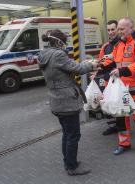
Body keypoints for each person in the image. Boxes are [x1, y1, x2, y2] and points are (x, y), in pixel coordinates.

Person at [38, 29, 100, 175]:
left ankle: (68, 162)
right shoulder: (59, 54)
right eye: (65, 42)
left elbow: (66, 67)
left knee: (67, 133)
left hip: (56, 99)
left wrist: (83, 63)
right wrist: (92, 64)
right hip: (67, 102)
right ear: (59, 42)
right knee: (73, 135)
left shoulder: (44, 54)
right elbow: (77, 69)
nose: (66, 45)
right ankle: (72, 167)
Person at [100, 17, 135, 156]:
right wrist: (98, 66)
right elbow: (112, 60)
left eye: (122, 29)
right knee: (121, 119)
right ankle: (124, 144)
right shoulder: (118, 44)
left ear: (131, 28)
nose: (119, 31)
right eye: (118, 29)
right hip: (122, 89)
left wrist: (121, 71)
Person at [98, 20, 120, 136]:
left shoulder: (121, 44)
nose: (110, 32)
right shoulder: (106, 46)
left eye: (113, 29)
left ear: (117, 29)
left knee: (118, 104)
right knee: (111, 103)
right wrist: (95, 71)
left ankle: (121, 128)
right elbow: (101, 60)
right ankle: (117, 125)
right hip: (108, 79)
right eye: (108, 30)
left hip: (118, 81)